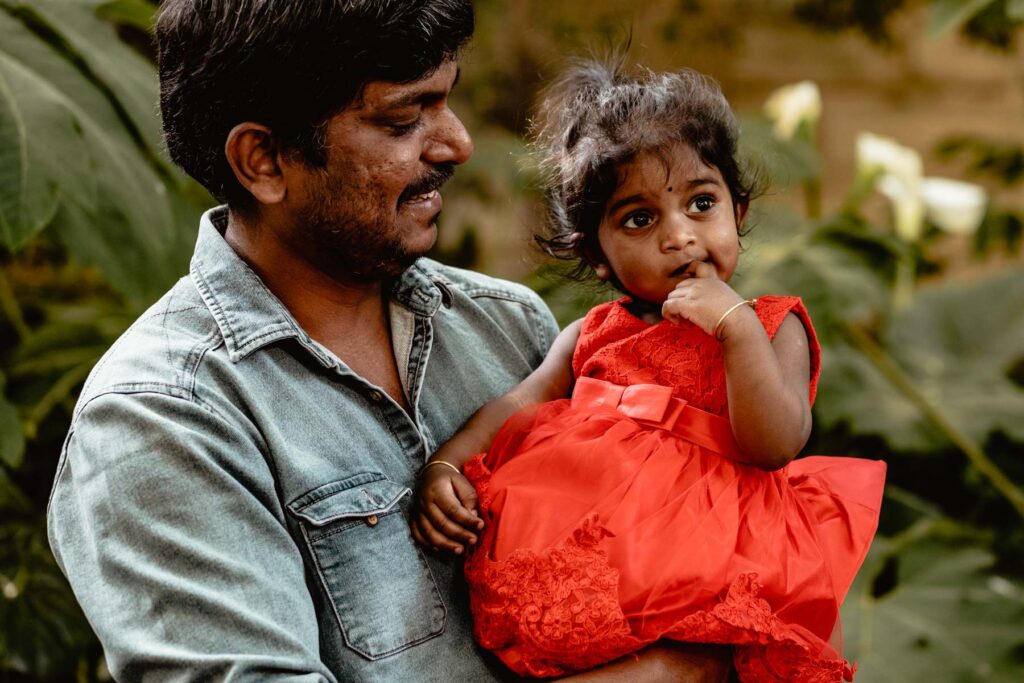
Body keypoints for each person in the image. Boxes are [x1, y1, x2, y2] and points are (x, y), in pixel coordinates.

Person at [47, 2, 732, 681]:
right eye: (404, 119)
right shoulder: (162, 416)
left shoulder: (506, 328)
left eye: (446, 102)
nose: (457, 144)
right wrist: (669, 675)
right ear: (263, 160)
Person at [412, 59, 887, 681]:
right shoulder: (594, 332)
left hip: (710, 561)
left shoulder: (772, 326)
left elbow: (774, 444)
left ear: (738, 212)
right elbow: (515, 407)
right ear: (597, 256)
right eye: (639, 219)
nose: (680, 236)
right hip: (597, 564)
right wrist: (448, 463)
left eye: (701, 203)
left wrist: (736, 329)